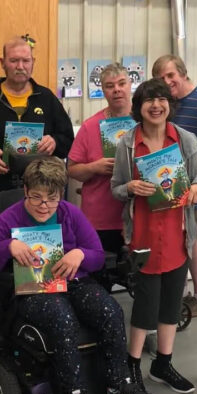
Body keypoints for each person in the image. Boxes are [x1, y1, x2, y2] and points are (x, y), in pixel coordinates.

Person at [0, 157, 160, 394]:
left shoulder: (70, 214)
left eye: (51, 199)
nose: (43, 206)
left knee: (110, 310)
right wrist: (8, 246)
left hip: (74, 283)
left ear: (60, 194)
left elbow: (98, 257)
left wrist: (80, 254)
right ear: (25, 189)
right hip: (34, 290)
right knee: (61, 318)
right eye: (36, 197)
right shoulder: (10, 218)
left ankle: (120, 385)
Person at [111, 79, 197, 394]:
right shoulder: (127, 143)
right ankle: (131, 366)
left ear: (170, 103)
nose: (156, 105)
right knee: (145, 306)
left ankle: (163, 364)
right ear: (139, 107)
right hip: (143, 237)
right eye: (149, 100)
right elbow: (115, 187)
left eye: (162, 99)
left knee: (170, 304)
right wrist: (130, 188)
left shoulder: (185, 139)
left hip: (178, 235)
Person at [152, 55, 197, 316]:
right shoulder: (167, 104)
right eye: (161, 78)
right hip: (170, 187)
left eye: (171, 75)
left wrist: (185, 172)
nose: (167, 81)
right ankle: (181, 293)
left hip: (196, 188)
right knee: (177, 240)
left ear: (183, 73)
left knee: (190, 240)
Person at [0, 37, 74, 218]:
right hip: (1, 189)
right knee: (5, 243)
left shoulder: (46, 98)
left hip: (44, 191)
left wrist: (54, 142)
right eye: (14, 60)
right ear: (3, 63)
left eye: (26, 60)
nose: (20, 66)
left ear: (33, 62)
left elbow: (68, 139)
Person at [67, 63, 131, 257]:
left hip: (138, 216)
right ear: (103, 90)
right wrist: (94, 167)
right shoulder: (90, 126)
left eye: (122, 83)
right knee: (101, 276)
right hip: (100, 218)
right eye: (110, 86)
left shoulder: (146, 121)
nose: (117, 90)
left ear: (130, 85)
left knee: (140, 280)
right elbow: (71, 169)